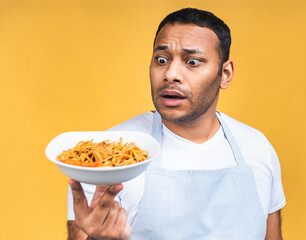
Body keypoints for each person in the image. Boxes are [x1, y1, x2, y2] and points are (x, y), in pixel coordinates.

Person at [67, 8, 286, 240]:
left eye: (192, 62)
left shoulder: (257, 148)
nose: (171, 74)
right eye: (162, 60)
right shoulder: (108, 156)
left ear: (225, 74)